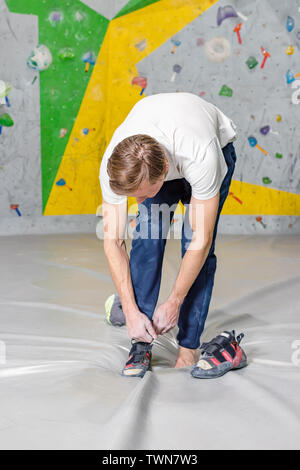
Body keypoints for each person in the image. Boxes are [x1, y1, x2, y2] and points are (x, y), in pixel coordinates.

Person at [100, 92, 247, 379]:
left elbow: (200, 243)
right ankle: (141, 340)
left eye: (141, 195)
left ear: (165, 172)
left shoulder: (202, 154)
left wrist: (174, 301)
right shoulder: (115, 166)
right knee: (147, 238)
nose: (137, 201)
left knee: (197, 244)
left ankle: (189, 344)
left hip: (209, 149)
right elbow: (113, 242)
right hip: (158, 159)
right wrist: (129, 309)